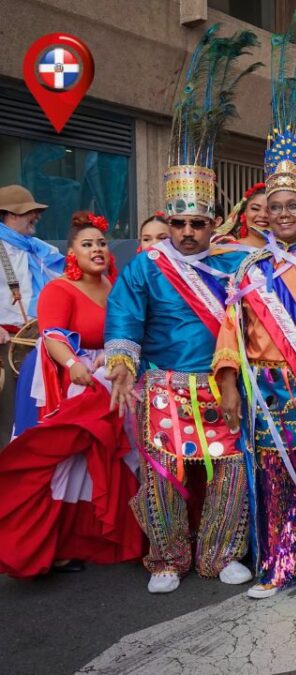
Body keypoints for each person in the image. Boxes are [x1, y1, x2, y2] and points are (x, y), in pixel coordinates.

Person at [105, 27, 258, 594]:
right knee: (164, 473)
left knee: (228, 470)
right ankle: (166, 557)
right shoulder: (146, 267)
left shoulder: (230, 266)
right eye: (179, 223)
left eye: (198, 223)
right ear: (166, 221)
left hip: (219, 385)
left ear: (212, 223)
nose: (188, 232)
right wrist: (123, 367)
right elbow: (124, 317)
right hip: (164, 384)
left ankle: (221, 555)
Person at [214, 131, 296, 602]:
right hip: (264, 387)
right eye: (276, 206)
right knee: (271, 473)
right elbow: (232, 329)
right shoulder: (250, 269)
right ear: (265, 211)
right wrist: (229, 388)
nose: (284, 214)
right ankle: (278, 564)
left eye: (293, 206)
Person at [0, 213, 142, 578]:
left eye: (101, 243)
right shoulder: (59, 289)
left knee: (105, 458)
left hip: (109, 380)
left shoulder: (116, 286)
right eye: (87, 244)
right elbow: (52, 335)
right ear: (72, 254)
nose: (96, 249)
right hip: (67, 382)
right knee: (63, 460)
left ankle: (89, 538)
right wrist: (71, 363)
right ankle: (45, 544)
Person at [0, 184, 63, 446]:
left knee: (36, 414)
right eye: (30, 212)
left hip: (39, 343)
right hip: (5, 345)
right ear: (11, 215)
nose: (35, 217)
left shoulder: (40, 250)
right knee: (8, 417)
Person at [214, 183, 268, 248]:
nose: (263, 215)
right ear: (245, 212)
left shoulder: (283, 251)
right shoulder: (227, 252)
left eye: (270, 210)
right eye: (255, 208)